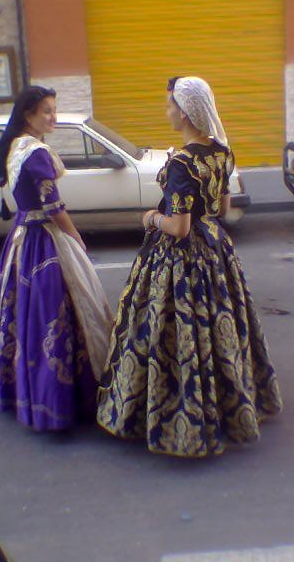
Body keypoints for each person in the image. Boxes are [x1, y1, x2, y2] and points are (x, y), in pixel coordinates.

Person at [97, 76, 282, 458]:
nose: (167, 112)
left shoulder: (183, 162)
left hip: (180, 261)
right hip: (216, 253)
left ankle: (174, 413)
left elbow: (179, 228)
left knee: (171, 333)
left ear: (184, 111)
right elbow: (224, 211)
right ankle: (232, 405)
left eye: (169, 106)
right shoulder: (222, 152)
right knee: (222, 328)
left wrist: (150, 217)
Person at [0, 85, 112, 432]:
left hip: (21, 238)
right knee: (57, 313)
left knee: (23, 312)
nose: (53, 117)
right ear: (29, 115)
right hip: (43, 239)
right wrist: (76, 238)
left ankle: (18, 389)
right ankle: (60, 399)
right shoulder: (36, 153)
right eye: (46, 111)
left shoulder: (14, 146)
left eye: (54, 110)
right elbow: (54, 207)